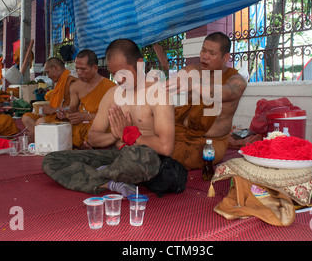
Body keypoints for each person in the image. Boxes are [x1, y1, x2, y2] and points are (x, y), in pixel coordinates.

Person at [42, 39, 175, 197]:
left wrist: (128, 135)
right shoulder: (112, 95)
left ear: (140, 64)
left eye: (123, 73)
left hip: (143, 158)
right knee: (51, 160)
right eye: (114, 74)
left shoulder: (157, 94)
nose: (118, 79)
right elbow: (93, 137)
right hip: (117, 154)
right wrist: (115, 135)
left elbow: (165, 147)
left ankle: (100, 174)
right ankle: (110, 182)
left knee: (141, 158)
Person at [167, 32, 247, 170]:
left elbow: (225, 92)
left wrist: (196, 86)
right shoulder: (193, 70)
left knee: (185, 158)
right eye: (203, 50)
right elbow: (177, 80)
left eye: (212, 53)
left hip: (211, 142)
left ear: (225, 57)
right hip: (181, 132)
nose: (205, 56)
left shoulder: (236, 80)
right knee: (152, 142)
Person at [58, 49, 116, 149]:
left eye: (83, 69)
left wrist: (86, 117)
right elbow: (72, 109)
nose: (79, 73)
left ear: (95, 68)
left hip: (99, 125)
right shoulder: (76, 86)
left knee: (97, 130)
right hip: (82, 126)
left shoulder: (110, 87)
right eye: (77, 69)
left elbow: (113, 116)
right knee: (59, 128)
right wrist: (64, 112)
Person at [21, 57, 77, 141]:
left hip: (65, 117)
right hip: (54, 115)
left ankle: (38, 136)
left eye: (48, 72)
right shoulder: (59, 82)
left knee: (40, 122)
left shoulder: (72, 82)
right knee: (26, 117)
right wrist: (48, 109)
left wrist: (54, 110)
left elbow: (74, 107)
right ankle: (40, 136)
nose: (48, 76)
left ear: (56, 68)